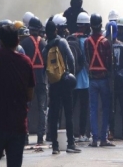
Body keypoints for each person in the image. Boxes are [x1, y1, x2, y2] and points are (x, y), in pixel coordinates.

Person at [0, 24, 35, 167]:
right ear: (18, 40)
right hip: (19, 125)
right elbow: (30, 94)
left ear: (1, 42)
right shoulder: (26, 62)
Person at [44, 20, 80, 154]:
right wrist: (71, 76)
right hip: (64, 82)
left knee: (54, 115)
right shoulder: (63, 42)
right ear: (56, 30)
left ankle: (55, 146)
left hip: (53, 84)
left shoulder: (45, 47)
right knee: (68, 113)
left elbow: (44, 67)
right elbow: (71, 59)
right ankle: (70, 143)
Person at [84, 13, 114, 147]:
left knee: (93, 109)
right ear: (101, 25)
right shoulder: (106, 42)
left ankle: (94, 139)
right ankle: (104, 138)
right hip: (103, 79)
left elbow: (86, 60)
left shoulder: (86, 42)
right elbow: (110, 62)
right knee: (106, 108)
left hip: (92, 80)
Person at [20, 16, 47, 145]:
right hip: (42, 79)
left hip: (29, 80)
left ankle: (25, 137)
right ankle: (41, 137)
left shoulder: (24, 43)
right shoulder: (44, 43)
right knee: (42, 109)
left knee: (26, 108)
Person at [69, 12, 91, 142]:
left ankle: (70, 134)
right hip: (84, 81)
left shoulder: (71, 38)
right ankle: (82, 134)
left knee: (71, 109)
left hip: (72, 79)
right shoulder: (86, 41)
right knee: (84, 109)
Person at [106, 21, 123, 141]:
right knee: (121, 107)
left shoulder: (106, 45)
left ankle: (112, 131)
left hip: (112, 80)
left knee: (113, 107)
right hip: (119, 79)